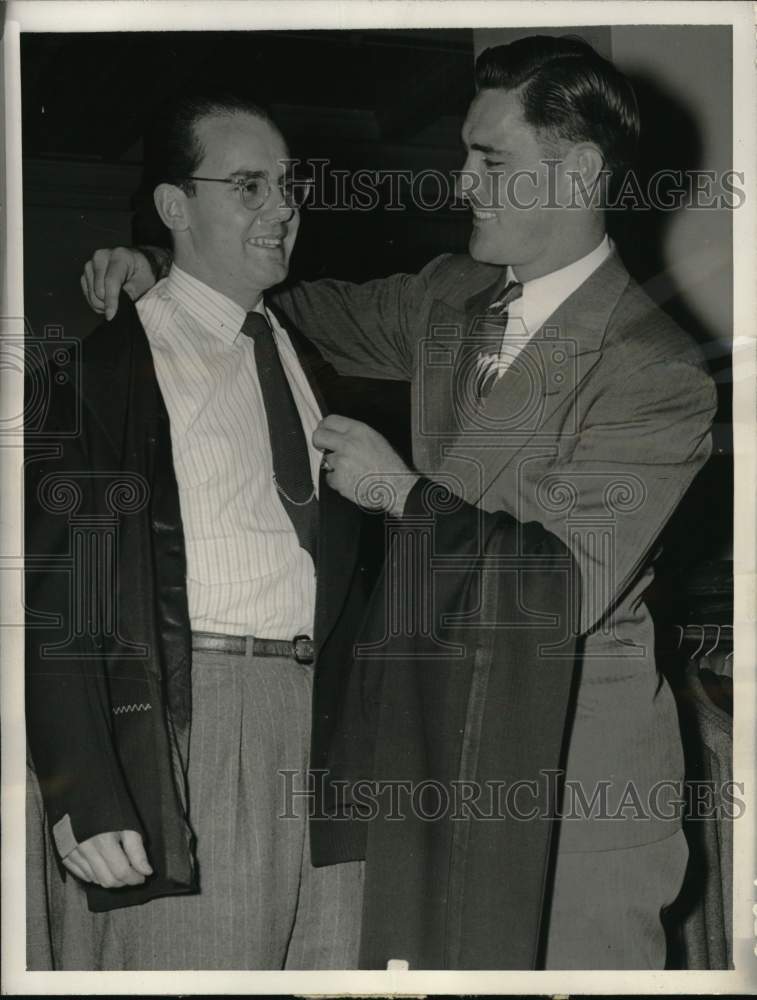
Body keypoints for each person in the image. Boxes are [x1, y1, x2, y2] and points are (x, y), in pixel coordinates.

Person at [81, 36, 718, 969]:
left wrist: (398, 494)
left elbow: (558, 590)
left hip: (568, 794)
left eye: (489, 161)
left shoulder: (655, 371)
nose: (460, 183)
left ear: (576, 172)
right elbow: (288, 309)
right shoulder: (449, 298)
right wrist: (162, 260)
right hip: (423, 763)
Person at [26, 93, 366, 970]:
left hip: (329, 735)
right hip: (193, 723)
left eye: (286, 186)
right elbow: (59, 594)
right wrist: (86, 792)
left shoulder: (308, 355)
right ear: (175, 208)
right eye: (249, 187)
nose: (283, 207)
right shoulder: (108, 369)